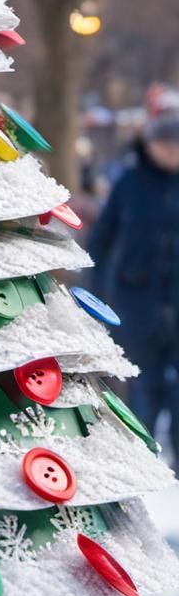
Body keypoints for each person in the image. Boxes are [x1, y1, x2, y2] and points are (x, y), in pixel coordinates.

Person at [89, 111, 179, 461]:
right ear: (149, 145)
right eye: (165, 145)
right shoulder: (129, 182)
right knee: (144, 382)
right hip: (137, 299)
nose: (171, 153)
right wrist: (99, 291)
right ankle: (141, 456)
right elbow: (101, 239)